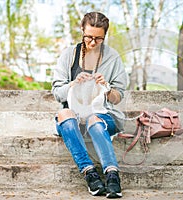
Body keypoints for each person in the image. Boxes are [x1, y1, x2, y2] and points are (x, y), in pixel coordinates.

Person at [51, 11, 127, 198]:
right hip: (74, 117)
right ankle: (90, 173)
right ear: (82, 31)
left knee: (94, 119)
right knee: (64, 115)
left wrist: (107, 89)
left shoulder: (112, 58)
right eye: (89, 37)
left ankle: (112, 175)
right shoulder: (69, 55)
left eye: (98, 39)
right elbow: (57, 92)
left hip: (101, 116)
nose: (93, 42)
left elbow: (119, 96)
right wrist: (73, 84)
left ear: (105, 36)